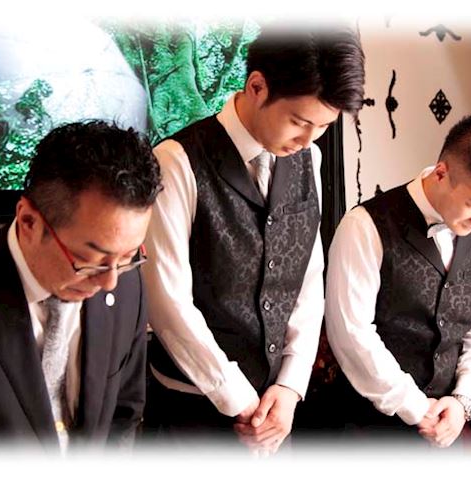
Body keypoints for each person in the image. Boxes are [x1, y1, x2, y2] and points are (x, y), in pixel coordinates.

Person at [141, 27, 365, 454]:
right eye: (300, 122)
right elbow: (167, 301)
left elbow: (307, 277)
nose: (308, 139)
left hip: (275, 410)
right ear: (257, 86)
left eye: (323, 126)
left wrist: (290, 386)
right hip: (192, 412)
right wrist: (238, 400)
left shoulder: (310, 157)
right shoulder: (176, 161)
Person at [325, 110, 471, 447]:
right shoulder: (364, 226)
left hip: (450, 421)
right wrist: (417, 408)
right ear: (441, 173)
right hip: (370, 426)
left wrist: (463, 399)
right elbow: (351, 334)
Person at [0, 120, 162, 452]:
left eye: (129, 256)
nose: (110, 282)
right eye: (89, 260)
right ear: (29, 221)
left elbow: (124, 413)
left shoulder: (128, 285)